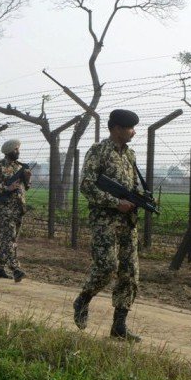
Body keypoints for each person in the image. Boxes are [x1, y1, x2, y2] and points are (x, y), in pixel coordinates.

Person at [73, 109, 143, 342]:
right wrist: (115, 202)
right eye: (130, 128)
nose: (133, 132)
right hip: (105, 220)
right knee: (106, 266)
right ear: (116, 129)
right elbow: (87, 186)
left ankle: (119, 327)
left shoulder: (130, 155)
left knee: (129, 273)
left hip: (127, 222)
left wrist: (138, 198)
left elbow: (131, 185)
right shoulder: (98, 151)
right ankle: (83, 299)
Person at [0, 139, 31, 283]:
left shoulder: (20, 167)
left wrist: (28, 179)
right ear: (9, 151)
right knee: (9, 238)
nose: (18, 152)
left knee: (10, 240)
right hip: (5, 209)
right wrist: (5, 188)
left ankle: (0, 268)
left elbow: (25, 187)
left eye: (18, 149)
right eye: (16, 149)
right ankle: (16, 269)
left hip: (19, 208)